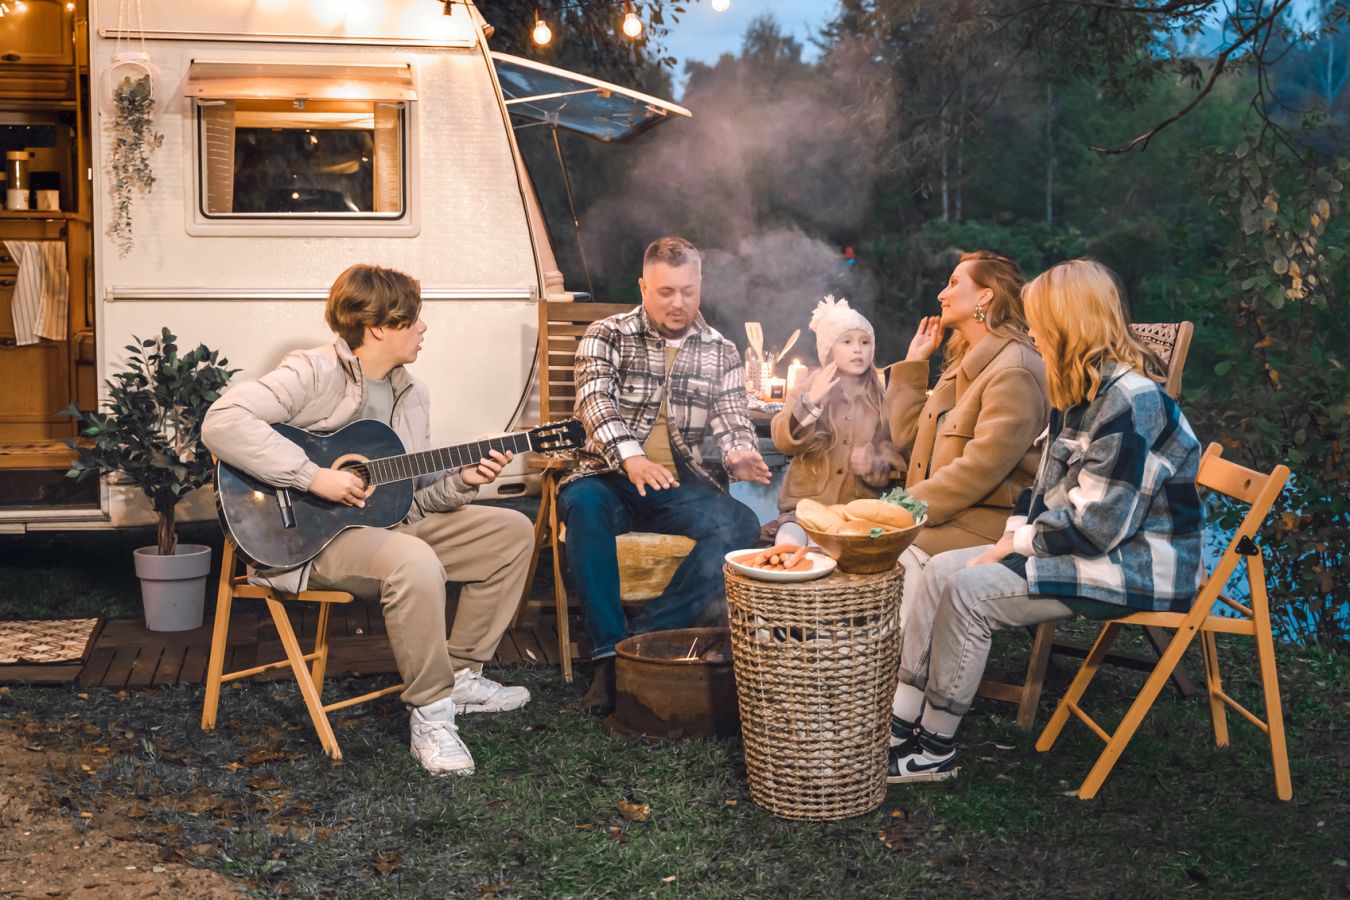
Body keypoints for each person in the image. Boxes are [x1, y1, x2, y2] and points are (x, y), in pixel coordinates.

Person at [202, 264, 535, 778]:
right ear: (379, 326)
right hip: (310, 541)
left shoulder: (412, 393)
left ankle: (462, 674)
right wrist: (313, 476)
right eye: (414, 320)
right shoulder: (312, 371)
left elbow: (411, 500)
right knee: (412, 558)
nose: (423, 329)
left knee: (510, 531)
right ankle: (431, 713)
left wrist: (464, 481)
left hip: (388, 529)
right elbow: (222, 422)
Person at [886, 259, 1204, 783]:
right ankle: (900, 727)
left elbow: (1098, 528)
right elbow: (1039, 489)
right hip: (1085, 547)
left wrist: (1017, 544)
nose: (1030, 331)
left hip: (1133, 565)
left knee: (967, 592)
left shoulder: (1131, 404)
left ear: (1067, 324)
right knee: (942, 570)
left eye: (1038, 321)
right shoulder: (1077, 393)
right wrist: (1012, 536)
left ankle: (934, 751)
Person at [560, 236, 771, 714]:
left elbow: (732, 416)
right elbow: (595, 403)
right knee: (583, 506)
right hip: (610, 475)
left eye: (688, 291)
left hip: (679, 486)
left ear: (700, 286)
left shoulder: (721, 350)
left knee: (740, 526)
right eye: (666, 291)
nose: (678, 303)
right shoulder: (607, 334)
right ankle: (608, 659)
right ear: (643, 286)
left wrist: (739, 452)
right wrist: (631, 457)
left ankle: (640, 641)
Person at [885, 251, 1049, 631]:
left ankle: (902, 680)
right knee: (858, 548)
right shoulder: (964, 364)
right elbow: (904, 438)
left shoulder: (1015, 370)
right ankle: (865, 665)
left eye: (955, 283)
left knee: (889, 554)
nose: (942, 294)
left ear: (985, 297)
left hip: (984, 523)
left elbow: (979, 469)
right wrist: (913, 364)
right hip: (944, 514)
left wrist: (903, 509)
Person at [771, 295, 900, 545]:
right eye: (847, 341)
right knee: (788, 546)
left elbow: (892, 452)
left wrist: (874, 464)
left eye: (865, 342)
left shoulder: (880, 398)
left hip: (856, 515)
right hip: (803, 511)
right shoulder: (808, 388)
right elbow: (782, 441)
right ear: (829, 350)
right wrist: (811, 401)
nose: (857, 349)